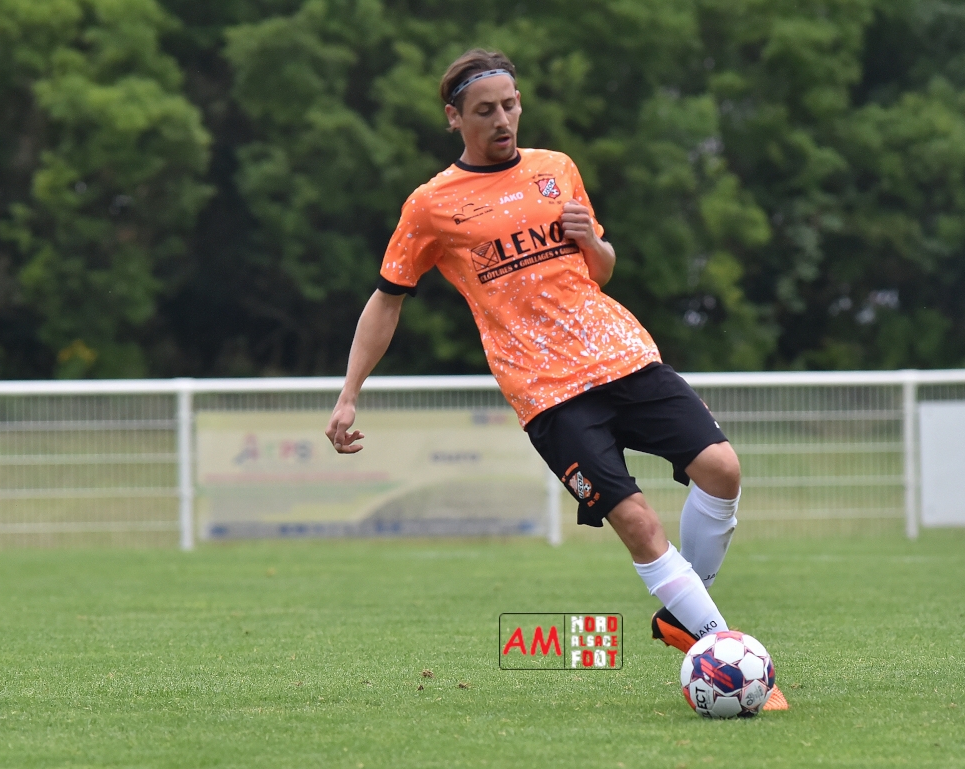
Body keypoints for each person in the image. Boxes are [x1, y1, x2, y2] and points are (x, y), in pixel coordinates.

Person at [325, 48, 785, 709]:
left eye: (510, 105)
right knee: (638, 522)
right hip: (548, 393)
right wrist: (349, 394)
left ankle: (687, 617)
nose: (502, 119)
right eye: (486, 110)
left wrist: (591, 240)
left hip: (623, 355)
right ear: (454, 118)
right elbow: (386, 299)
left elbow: (601, 267)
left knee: (723, 470)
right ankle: (723, 653)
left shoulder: (556, 169)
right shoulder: (430, 205)